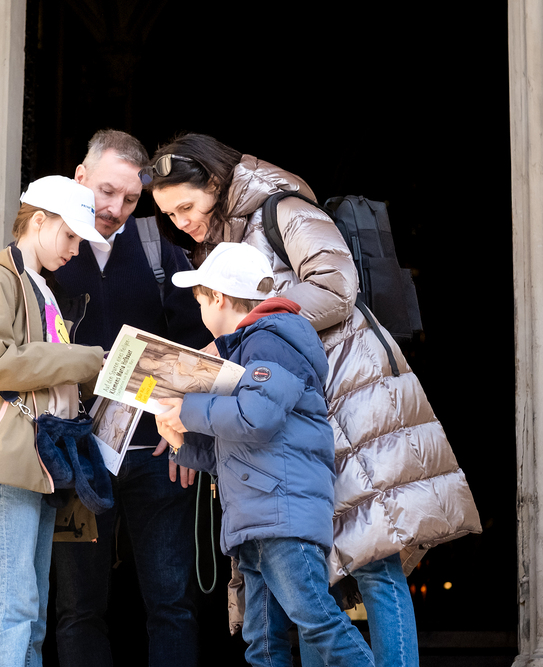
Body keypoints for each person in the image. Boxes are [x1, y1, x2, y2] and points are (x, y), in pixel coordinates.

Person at [144, 133, 482, 667]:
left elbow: (336, 286)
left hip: (348, 393)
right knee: (316, 560)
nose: (181, 222)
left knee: (374, 551)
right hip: (297, 404)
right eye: (169, 215)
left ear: (214, 182)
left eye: (186, 207)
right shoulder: (224, 233)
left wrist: (246, 329)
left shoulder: (281, 208)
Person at [154, 241, 375, 667]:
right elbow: (237, 449)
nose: (200, 313)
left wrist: (188, 409)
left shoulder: (270, 341)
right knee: (262, 640)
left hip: (280, 515)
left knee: (317, 621)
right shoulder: (256, 345)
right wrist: (181, 441)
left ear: (218, 297)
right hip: (261, 516)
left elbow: (257, 417)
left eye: (200, 301)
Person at [0, 176, 109, 667]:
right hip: (10, 453)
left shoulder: (43, 287)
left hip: (42, 456)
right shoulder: (0, 278)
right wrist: (84, 359)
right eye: (69, 235)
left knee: (32, 607)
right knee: (17, 602)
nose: (75, 249)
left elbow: (43, 372)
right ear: (39, 221)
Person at [50, 130, 209, 667]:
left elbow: (200, 344)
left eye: (131, 198)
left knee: (173, 605)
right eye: (106, 191)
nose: (116, 208)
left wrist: (189, 433)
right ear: (80, 177)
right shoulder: (49, 253)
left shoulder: (157, 248)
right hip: (76, 458)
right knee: (78, 609)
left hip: (156, 458)